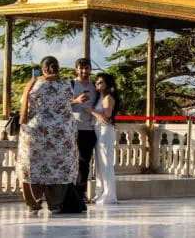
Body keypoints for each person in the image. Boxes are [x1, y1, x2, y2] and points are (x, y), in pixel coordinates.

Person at [18, 56, 82, 214]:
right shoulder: (68, 84)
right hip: (62, 134)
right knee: (59, 170)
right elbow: (67, 105)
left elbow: (24, 108)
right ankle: (55, 204)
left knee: (32, 170)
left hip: (36, 133)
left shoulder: (34, 85)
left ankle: (34, 204)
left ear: (43, 69)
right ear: (57, 67)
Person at [71, 57, 100, 202]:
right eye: (81, 68)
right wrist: (76, 101)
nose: (84, 71)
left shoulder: (96, 86)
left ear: (90, 69)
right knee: (70, 161)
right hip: (72, 128)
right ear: (76, 69)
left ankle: (80, 193)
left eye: (87, 68)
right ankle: (68, 193)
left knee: (84, 163)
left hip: (89, 129)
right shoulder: (70, 85)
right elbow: (59, 103)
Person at [88, 73, 119, 205]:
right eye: (96, 82)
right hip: (98, 130)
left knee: (106, 162)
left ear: (107, 84)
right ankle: (100, 192)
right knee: (99, 164)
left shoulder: (108, 98)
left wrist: (91, 111)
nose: (97, 84)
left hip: (105, 130)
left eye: (100, 82)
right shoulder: (100, 98)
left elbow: (107, 118)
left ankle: (109, 194)